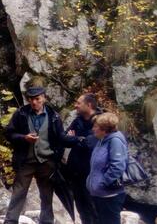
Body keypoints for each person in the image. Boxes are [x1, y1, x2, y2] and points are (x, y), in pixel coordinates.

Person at [4, 86, 77, 224]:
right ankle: (10, 221)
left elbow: (59, 138)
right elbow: (9, 133)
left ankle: (47, 221)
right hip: (26, 160)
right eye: (31, 99)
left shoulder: (54, 116)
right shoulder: (21, 114)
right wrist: (23, 137)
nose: (34, 102)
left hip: (47, 161)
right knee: (19, 192)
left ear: (44, 98)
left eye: (37, 99)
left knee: (47, 194)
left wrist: (68, 146)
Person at [63, 93, 103, 224]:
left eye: (79, 103)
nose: (75, 105)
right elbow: (64, 139)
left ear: (89, 105)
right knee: (81, 206)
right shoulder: (77, 120)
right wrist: (78, 139)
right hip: (75, 171)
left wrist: (75, 138)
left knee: (94, 206)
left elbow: (90, 143)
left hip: (92, 172)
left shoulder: (101, 121)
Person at [87, 112, 128, 224]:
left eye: (96, 126)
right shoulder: (102, 141)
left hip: (110, 196)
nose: (93, 129)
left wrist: (103, 183)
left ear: (104, 130)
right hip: (100, 194)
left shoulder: (115, 141)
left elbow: (118, 166)